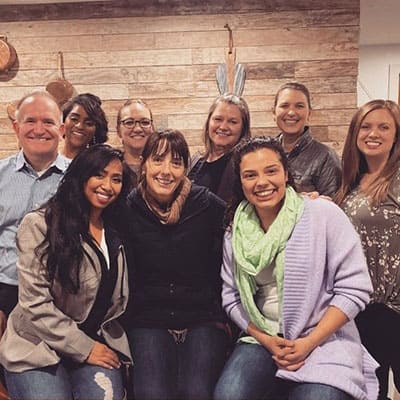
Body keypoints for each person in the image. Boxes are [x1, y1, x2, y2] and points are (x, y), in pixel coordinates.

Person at [214, 136, 379, 400]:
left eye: (271, 171)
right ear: (240, 181)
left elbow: (354, 289)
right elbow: (231, 297)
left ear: (286, 173)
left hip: (322, 338)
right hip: (263, 337)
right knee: (229, 395)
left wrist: (308, 343)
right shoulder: (235, 230)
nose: (262, 182)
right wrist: (266, 339)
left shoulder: (322, 214)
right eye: (250, 175)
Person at [0, 144, 132, 400]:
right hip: (36, 346)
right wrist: (84, 347)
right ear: (80, 176)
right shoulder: (39, 224)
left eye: (116, 179)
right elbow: (35, 304)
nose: (107, 185)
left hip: (94, 341)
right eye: (99, 175)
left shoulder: (117, 228)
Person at [124, 129, 229, 400]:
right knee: (151, 393)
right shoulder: (127, 209)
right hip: (149, 318)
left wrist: (304, 200)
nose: (166, 171)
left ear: (185, 168)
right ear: (144, 163)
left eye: (176, 162)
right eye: (158, 160)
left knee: (196, 392)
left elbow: (248, 212)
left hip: (202, 317)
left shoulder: (207, 205)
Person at [336, 99, 400, 400]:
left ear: (396, 134)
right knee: (370, 389)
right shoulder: (349, 181)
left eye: (384, 127)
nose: (373, 133)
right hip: (363, 307)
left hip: (395, 306)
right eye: (366, 126)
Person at [0, 91, 69, 339]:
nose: (39, 129)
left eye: (48, 122)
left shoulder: (77, 179)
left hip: (58, 294)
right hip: (6, 288)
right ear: (16, 127)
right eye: (30, 121)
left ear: (61, 129)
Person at [272, 82, 341, 197]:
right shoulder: (267, 153)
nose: (291, 112)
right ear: (274, 112)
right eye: (284, 106)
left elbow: (333, 207)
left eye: (299, 106)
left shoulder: (325, 156)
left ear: (309, 113)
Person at [188, 93, 251, 202]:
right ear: (208, 122)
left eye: (233, 122)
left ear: (243, 129)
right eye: (218, 119)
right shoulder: (195, 160)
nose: (223, 127)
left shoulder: (244, 165)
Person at [116, 99, 155, 182]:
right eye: (129, 122)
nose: (138, 129)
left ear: (152, 128)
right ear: (118, 131)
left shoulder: (165, 166)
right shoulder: (109, 165)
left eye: (144, 122)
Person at [62, 93, 108, 159]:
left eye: (88, 123)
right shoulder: (47, 160)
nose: (80, 126)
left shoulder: (100, 166)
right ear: (63, 121)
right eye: (74, 119)